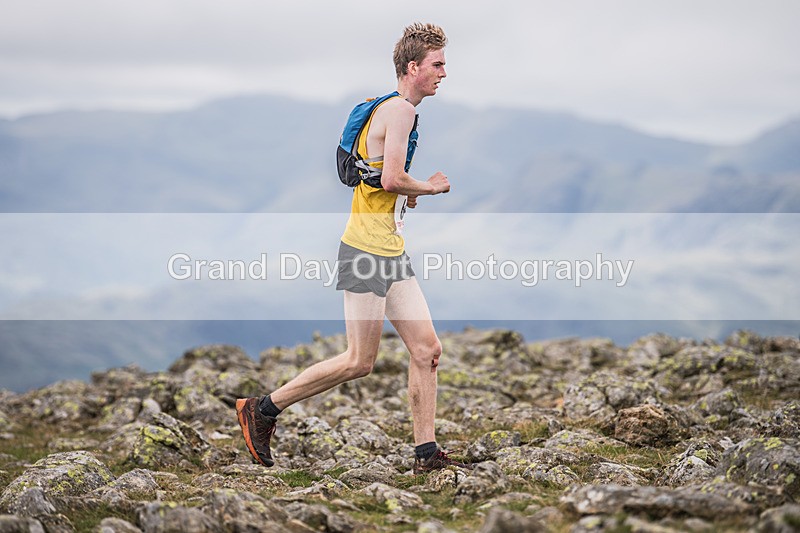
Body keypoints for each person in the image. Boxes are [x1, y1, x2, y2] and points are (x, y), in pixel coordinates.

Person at [236, 22, 469, 474]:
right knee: (358, 361)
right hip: (365, 251)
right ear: (412, 67)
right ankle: (262, 410)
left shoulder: (385, 107)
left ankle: (426, 454)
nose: (444, 73)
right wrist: (431, 187)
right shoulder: (400, 110)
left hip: (388, 248)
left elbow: (380, 178)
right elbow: (391, 178)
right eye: (438, 65)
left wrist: (407, 192)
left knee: (427, 349)